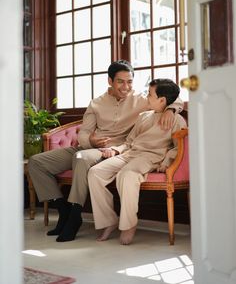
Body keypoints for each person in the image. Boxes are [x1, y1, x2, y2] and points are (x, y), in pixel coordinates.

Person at [28, 61, 183, 242]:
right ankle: (63, 210)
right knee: (36, 162)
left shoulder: (142, 101)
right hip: (88, 147)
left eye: (130, 82)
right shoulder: (96, 103)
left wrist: (171, 110)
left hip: (113, 150)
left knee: (81, 158)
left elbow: (171, 96)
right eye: (120, 82)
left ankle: (74, 214)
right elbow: (84, 133)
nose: (126, 87)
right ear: (110, 81)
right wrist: (91, 140)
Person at [87, 78, 187, 245]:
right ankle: (108, 220)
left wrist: (167, 161)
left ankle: (128, 225)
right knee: (95, 172)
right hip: (131, 153)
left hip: (151, 156)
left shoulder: (177, 120)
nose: (147, 97)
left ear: (162, 100)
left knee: (127, 175)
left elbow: (178, 147)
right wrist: (115, 150)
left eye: (150, 94)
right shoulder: (143, 117)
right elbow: (129, 142)